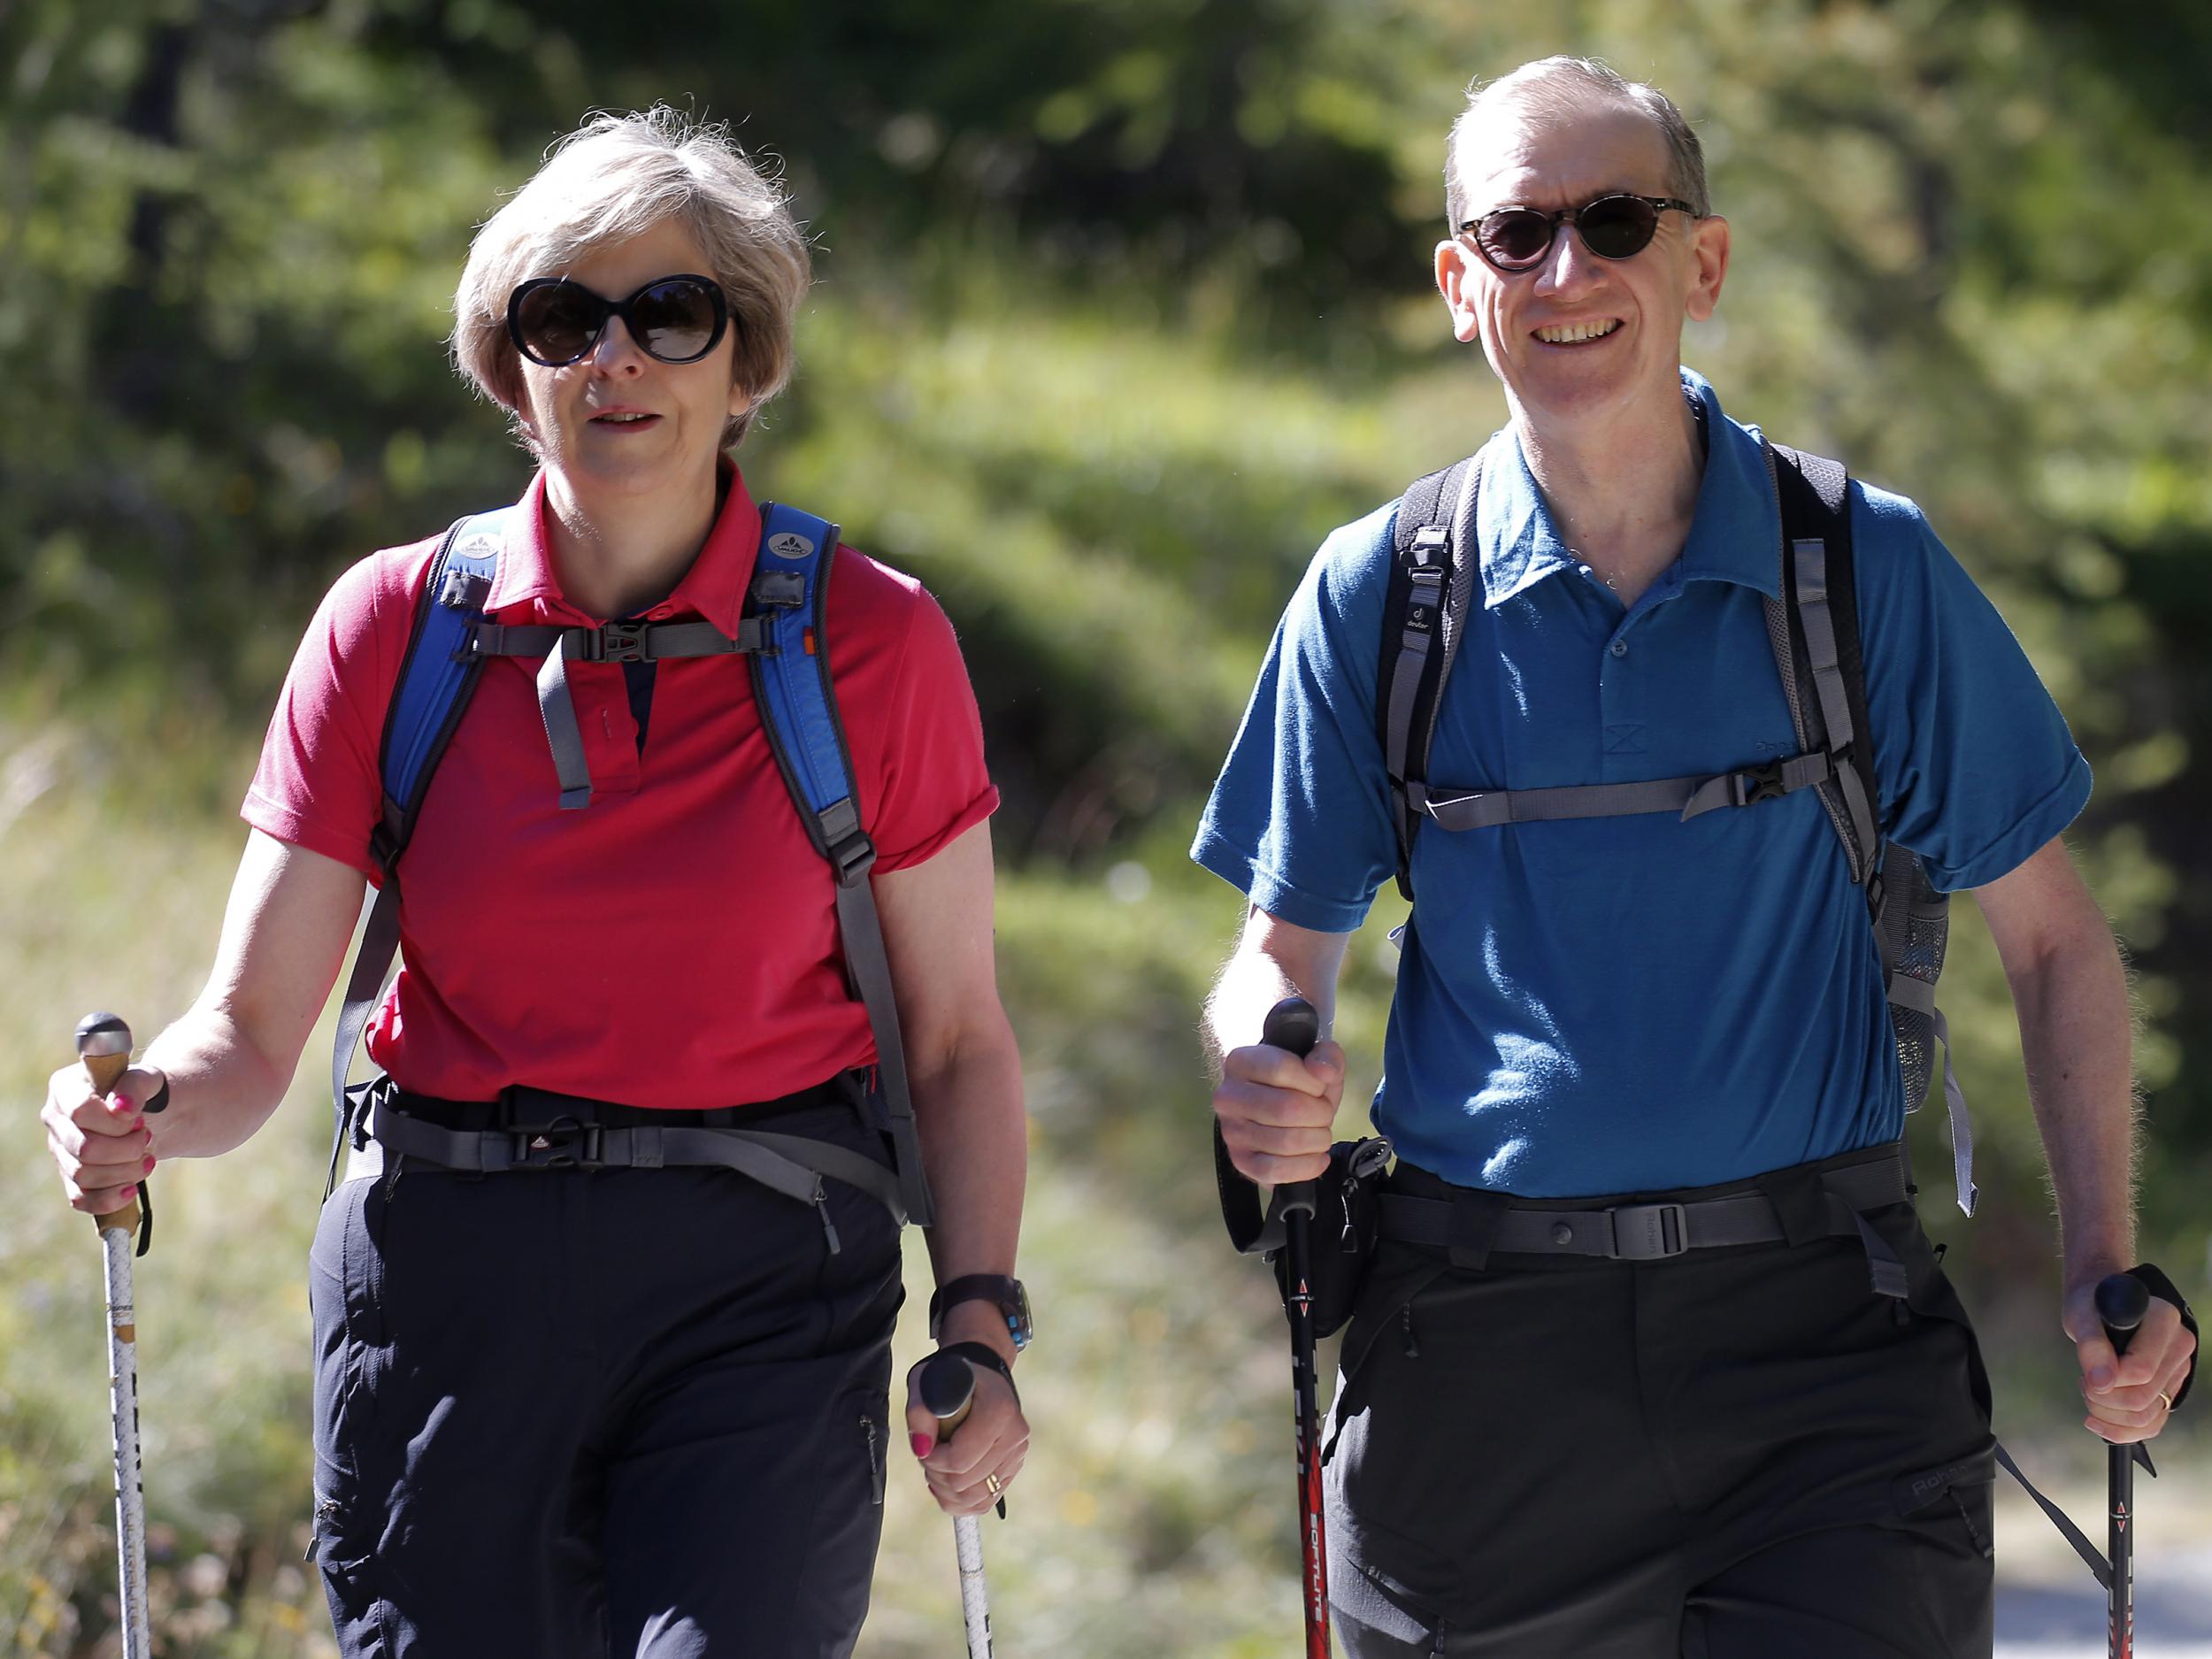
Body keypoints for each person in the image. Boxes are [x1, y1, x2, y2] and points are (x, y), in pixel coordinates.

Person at [1196, 57, 2194, 1658]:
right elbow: (1275, 954)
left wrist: (2101, 1265)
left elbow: (2058, 943)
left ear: (1702, 264)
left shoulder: (1865, 568)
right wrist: (1257, 1061)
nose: (1567, 271)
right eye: (1516, 235)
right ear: (1461, 286)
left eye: (1615, 221)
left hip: (1824, 1361)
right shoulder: (1378, 591)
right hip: (1473, 1367)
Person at [42, 108, 1031, 1658]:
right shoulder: (395, 629)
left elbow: (959, 1038)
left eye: (670, 314)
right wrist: (140, 1110)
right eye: (562, 320)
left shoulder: (872, 642)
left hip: (760, 1288)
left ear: (744, 357)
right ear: (511, 364)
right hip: (444, 1283)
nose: (613, 359)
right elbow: (244, 1035)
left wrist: (978, 1314)